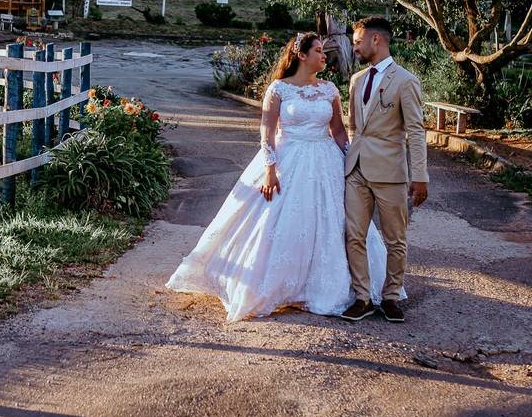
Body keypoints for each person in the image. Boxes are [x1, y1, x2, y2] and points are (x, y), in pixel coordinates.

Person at [166, 32, 401, 322]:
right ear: (301, 55)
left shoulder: (330, 90)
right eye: (317, 50)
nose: (323, 55)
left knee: (334, 222)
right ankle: (274, 284)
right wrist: (269, 169)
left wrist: (354, 162)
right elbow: (267, 133)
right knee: (280, 221)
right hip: (288, 159)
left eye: (323, 51)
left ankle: (345, 287)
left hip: (326, 161)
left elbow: (339, 132)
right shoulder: (278, 90)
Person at [340, 17, 428, 323]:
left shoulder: (406, 81)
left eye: (357, 41)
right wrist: (350, 159)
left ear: (376, 40)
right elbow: (353, 127)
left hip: (391, 172)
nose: (354, 46)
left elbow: (416, 132)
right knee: (354, 235)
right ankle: (362, 297)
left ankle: (391, 297)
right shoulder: (357, 80)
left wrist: (420, 176)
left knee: (395, 239)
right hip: (357, 170)